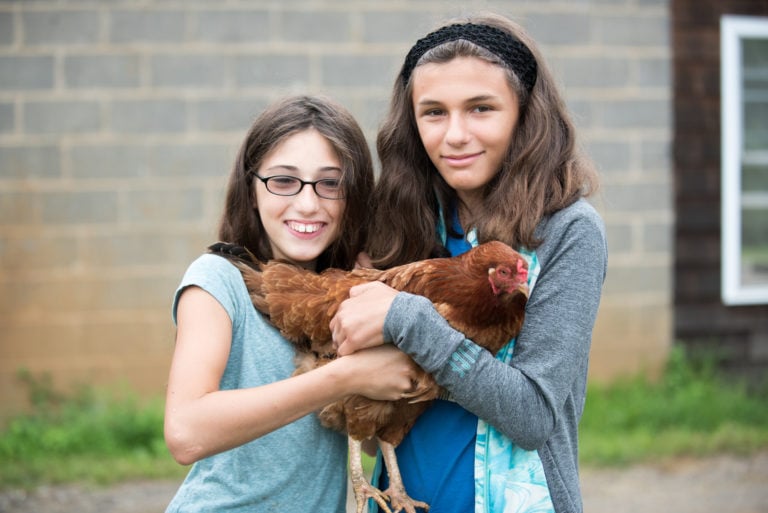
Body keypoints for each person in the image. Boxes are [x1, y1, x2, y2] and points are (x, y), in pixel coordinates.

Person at [330, 13, 608, 513]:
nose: (455, 134)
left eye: (481, 108)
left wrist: (405, 318)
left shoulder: (567, 231)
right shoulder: (403, 222)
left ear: (526, 115)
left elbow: (531, 415)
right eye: (433, 112)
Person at [163, 94, 422, 513]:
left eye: (330, 183)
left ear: (353, 197)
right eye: (283, 180)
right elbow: (186, 432)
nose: (307, 203)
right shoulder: (218, 280)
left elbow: (372, 443)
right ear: (251, 189)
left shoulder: (342, 293)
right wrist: (346, 375)